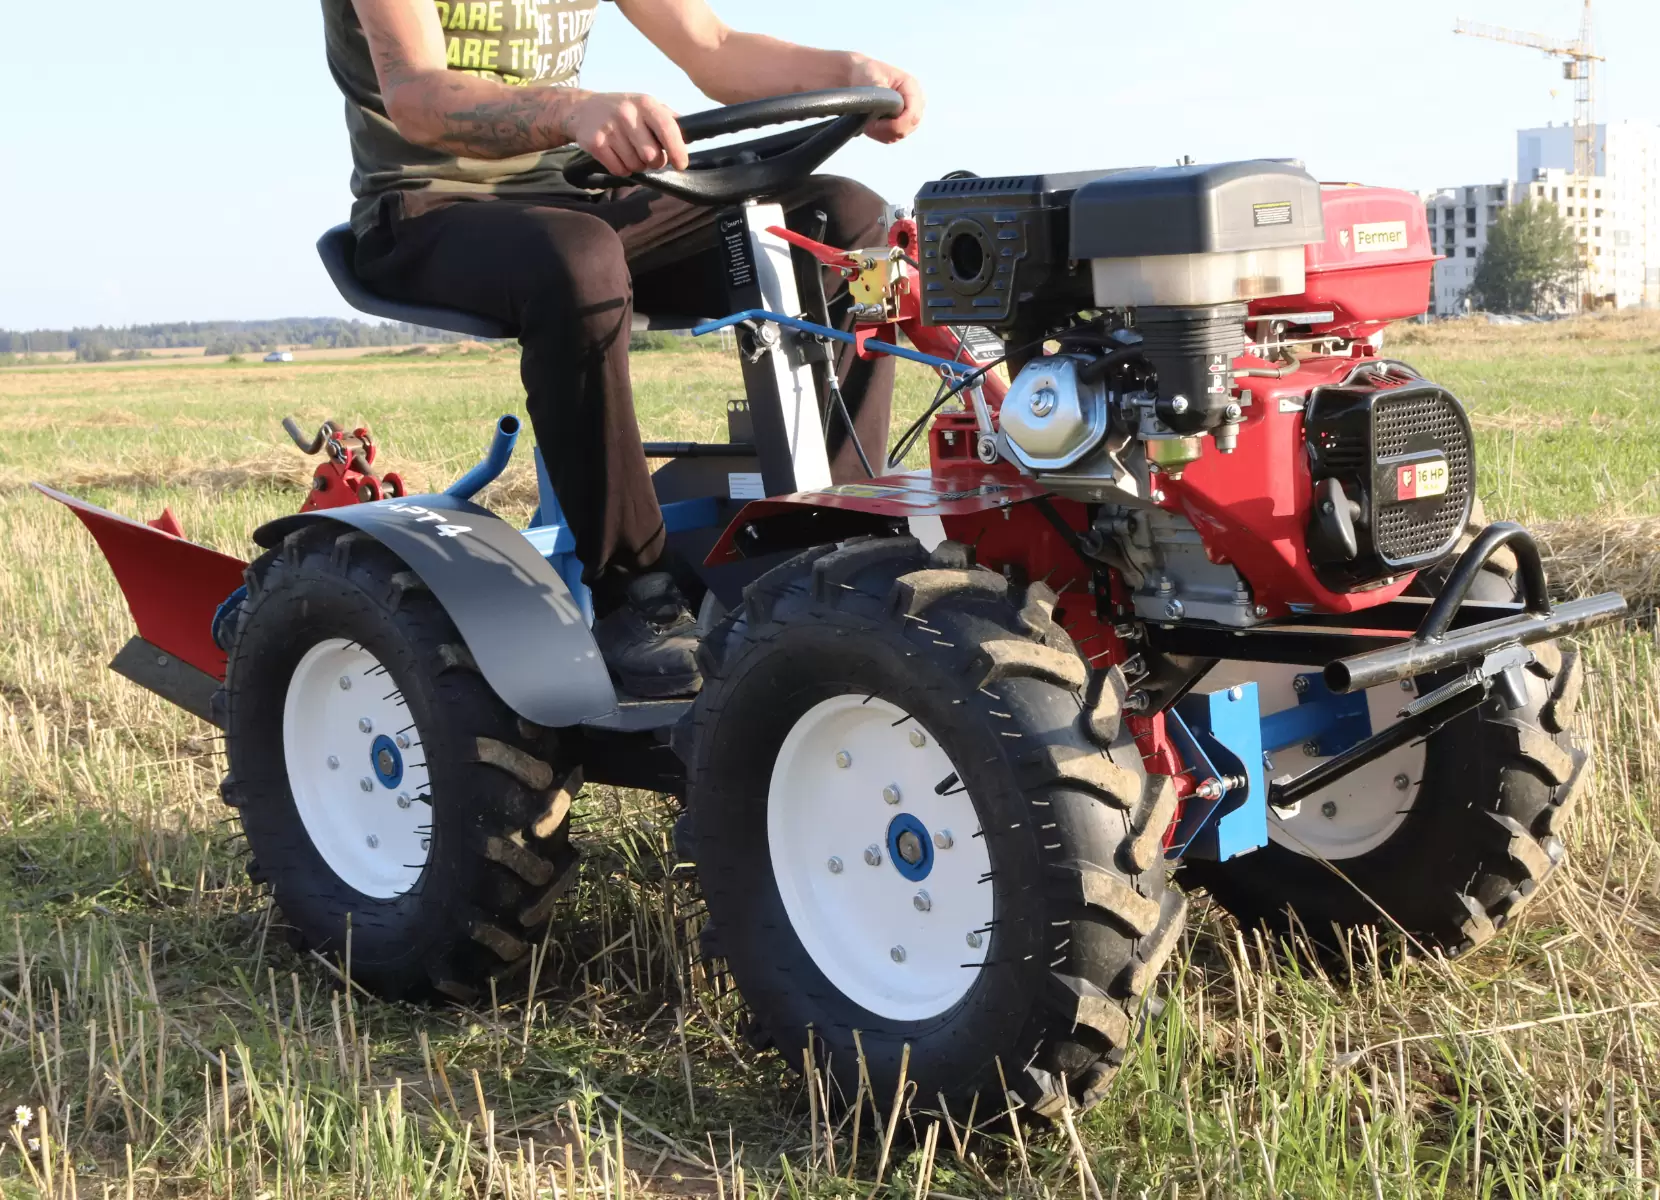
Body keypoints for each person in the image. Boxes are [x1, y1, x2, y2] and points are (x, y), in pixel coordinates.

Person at [321, 0, 925, 697]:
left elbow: (714, 46)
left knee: (845, 221)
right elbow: (416, 95)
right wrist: (574, 111)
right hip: (429, 209)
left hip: (581, 194)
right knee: (579, 259)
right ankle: (635, 592)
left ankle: (832, 549)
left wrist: (850, 72)